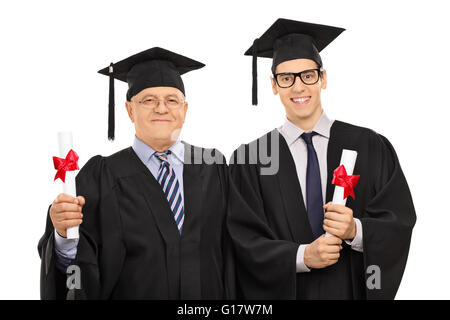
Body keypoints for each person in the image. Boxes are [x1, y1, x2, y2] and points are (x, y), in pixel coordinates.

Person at [227, 18, 416, 299]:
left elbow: (398, 221)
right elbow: (241, 241)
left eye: (308, 75)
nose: (298, 87)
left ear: (323, 78)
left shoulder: (370, 146)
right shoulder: (250, 159)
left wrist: (356, 230)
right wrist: (302, 256)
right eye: (286, 78)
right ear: (274, 85)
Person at [38, 47, 235, 299]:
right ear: (130, 110)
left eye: (172, 100)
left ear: (185, 110)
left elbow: (240, 248)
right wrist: (64, 237)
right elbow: (78, 270)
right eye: (148, 100)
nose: (161, 108)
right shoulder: (101, 177)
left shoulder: (214, 168)